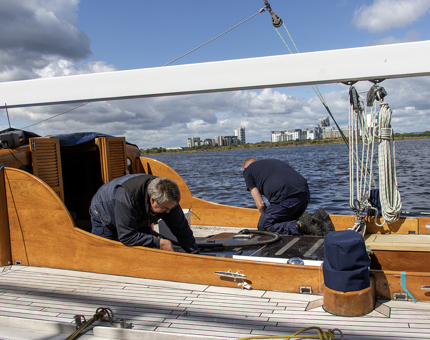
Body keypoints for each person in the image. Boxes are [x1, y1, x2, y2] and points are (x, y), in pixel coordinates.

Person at [89, 173, 199, 253]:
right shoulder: (125, 199)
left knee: (147, 251)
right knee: (106, 253)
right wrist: (160, 242)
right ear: (152, 200)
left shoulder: (168, 200)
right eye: (165, 209)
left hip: (137, 214)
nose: (168, 212)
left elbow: (181, 228)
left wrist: (194, 253)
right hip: (104, 214)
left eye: (170, 208)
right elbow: (126, 236)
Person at [241, 157, 315, 235]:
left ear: (245, 167)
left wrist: (265, 218)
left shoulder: (247, 170)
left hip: (286, 198)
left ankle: (299, 227)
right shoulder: (273, 161)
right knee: (284, 220)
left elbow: (260, 204)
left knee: (263, 227)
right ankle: (316, 220)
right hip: (305, 195)